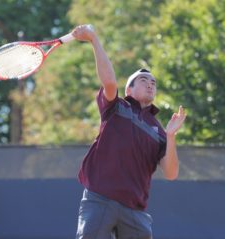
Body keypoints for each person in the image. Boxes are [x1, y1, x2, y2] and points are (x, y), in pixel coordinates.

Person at [72, 24, 186, 239]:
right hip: (100, 199)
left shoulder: (159, 131)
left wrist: (171, 137)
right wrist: (94, 39)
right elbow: (109, 81)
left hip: (134, 210)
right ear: (129, 90)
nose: (151, 84)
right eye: (144, 80)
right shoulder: (116, 107)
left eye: (153, 82)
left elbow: (171, 174)